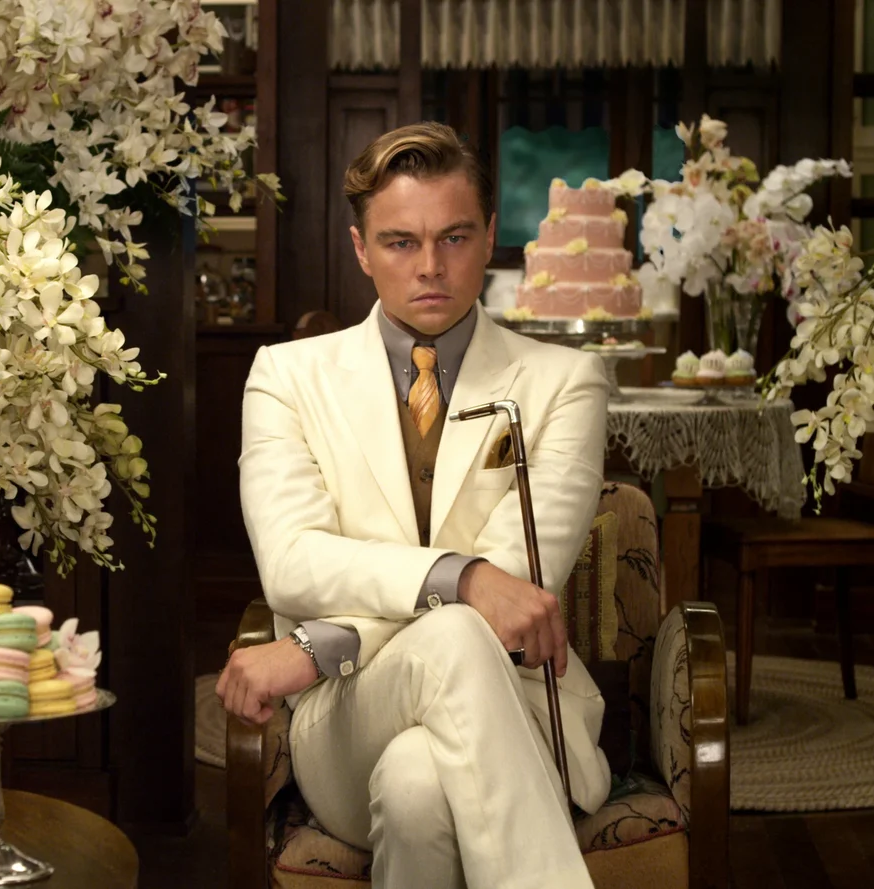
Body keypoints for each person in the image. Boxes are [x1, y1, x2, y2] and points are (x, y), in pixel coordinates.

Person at [216, 122, 612, 889]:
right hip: (347, 717)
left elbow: (514, 598)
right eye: (400, 242)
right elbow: (293, 563)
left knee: (418, 783)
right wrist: (465, 576)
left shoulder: (565, 383)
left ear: (489, 236)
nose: (430, 266)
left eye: (454, 237)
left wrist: (312, 646)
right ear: (361, 249)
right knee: (460, 622)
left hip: (516, 709)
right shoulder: (285, 377)